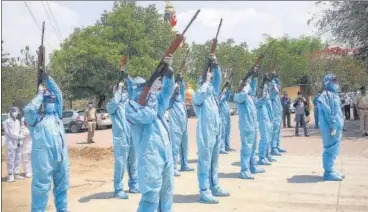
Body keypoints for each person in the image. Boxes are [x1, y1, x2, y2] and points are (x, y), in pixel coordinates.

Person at [125, 55, 175, 211]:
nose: (143, 90)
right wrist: (150, 96)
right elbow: (148, 115)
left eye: (144, 86)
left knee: (166, 195)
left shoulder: (156, 101)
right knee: (151, 198)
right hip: (150, 159)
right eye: (139, 87)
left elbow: (167, 92)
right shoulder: (131, 106)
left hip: (166, 156)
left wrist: (169, 75)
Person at [24, 73, 69, 211]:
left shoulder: (58, 117)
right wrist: (39, 95)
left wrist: (49, 80)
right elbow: (29, 110)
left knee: (62, 187)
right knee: (41, 189)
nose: (52, 103)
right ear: (43, 102)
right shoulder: (36, 120)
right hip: (44, 161)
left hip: (61, 159)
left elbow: (59, 94)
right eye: (48, 100)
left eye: (53, 101)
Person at [192, 54, 230, 204]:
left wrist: (215, 64)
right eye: (208, 81)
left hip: (215, 132)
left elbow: (218, 81)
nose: (211, 82)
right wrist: (206, 81)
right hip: (205, 134)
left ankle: (214, 185)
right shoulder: (199, 97)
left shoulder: (213, 96)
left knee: (214, 161)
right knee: (205, 162)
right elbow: (200, 93)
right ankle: (204, 190)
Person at [106, 77, 139, 199]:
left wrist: (128, 79)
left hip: (132, 137)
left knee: (133, 162)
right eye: (120, 90)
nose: (123, 92)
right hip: (121, 139)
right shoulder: (112, 106)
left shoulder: (128, 103)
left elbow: (133, 91)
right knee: (120, 164)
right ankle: (118, 189)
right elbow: (115, 102)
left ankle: (134, 185)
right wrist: (118, 89)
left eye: (123, 90)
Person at [234, 67, 265, 179]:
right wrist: (245, 85)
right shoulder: (239, 96)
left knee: (253, 147)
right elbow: (241, 94)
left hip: (253, 125)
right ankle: (244, 170)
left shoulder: (250, 97)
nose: (249, 86)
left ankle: (253, 166)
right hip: (246, 126)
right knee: (246, 148)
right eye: (246, 85)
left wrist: (253, 77)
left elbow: (253, 89)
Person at [316, 74, 344, 181]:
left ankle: (331, 169)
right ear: (328, 82)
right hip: (330, 128)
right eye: (334, 81)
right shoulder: (325, 95)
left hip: (335, 127)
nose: (336, 83)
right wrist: (333, 126)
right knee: (330, 148)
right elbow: (328, 113)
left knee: (334, 148)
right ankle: (328, 172)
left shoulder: (333, 95)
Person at [168, 74, 194, 177]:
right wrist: (174, 85)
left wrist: (181, 79)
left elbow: (183, 89)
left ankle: (184, 164)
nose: (178, 90)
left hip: (184, 126)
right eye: (176, 88)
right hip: (175, 127)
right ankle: (173, 168)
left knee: (184, 147)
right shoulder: (170, 100)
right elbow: (168, 92)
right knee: (174, 148)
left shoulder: (181, 98)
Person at [3, 106, 25, 182]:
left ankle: (16, 173)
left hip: (18, 142)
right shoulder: (6, 122)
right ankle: (10, 175)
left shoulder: (18, 122)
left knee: (18, 158)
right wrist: (19, 136)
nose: (15, 113)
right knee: (11, 158)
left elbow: (20, 129)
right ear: (11, 112)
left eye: (16, 112)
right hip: (11, 143)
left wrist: (21, 135)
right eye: (14, 111)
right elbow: (10, 133)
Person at [257, 73, 274, 166]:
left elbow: (274, 91)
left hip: (269, 117)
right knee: (265, 138)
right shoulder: (261, 90)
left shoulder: (267, 91)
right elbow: (259, 100)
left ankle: (267, 155)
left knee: (269, 138)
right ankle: (262, 157)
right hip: (263, 118)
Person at [270, 71, 287, 156]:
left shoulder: (277, 94)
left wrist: (277, 80)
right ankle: (273, 148)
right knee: (274, 131)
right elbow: (274, 91)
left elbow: (278, 88)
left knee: (278, 131)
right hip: (274, 115)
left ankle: (277, 145)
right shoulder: (271, 87)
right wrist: (274, 82)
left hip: (278, 114)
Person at [219, 86, 235, 154]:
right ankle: (221, 147)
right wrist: (223, 92)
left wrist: (228, 89)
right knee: (222, 131)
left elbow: (227, 97)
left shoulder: (224, 99)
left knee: (227, 131)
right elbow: (219, 100)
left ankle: (227, 146)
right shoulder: (218, 91)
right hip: (222, 115)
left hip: (227, 115)